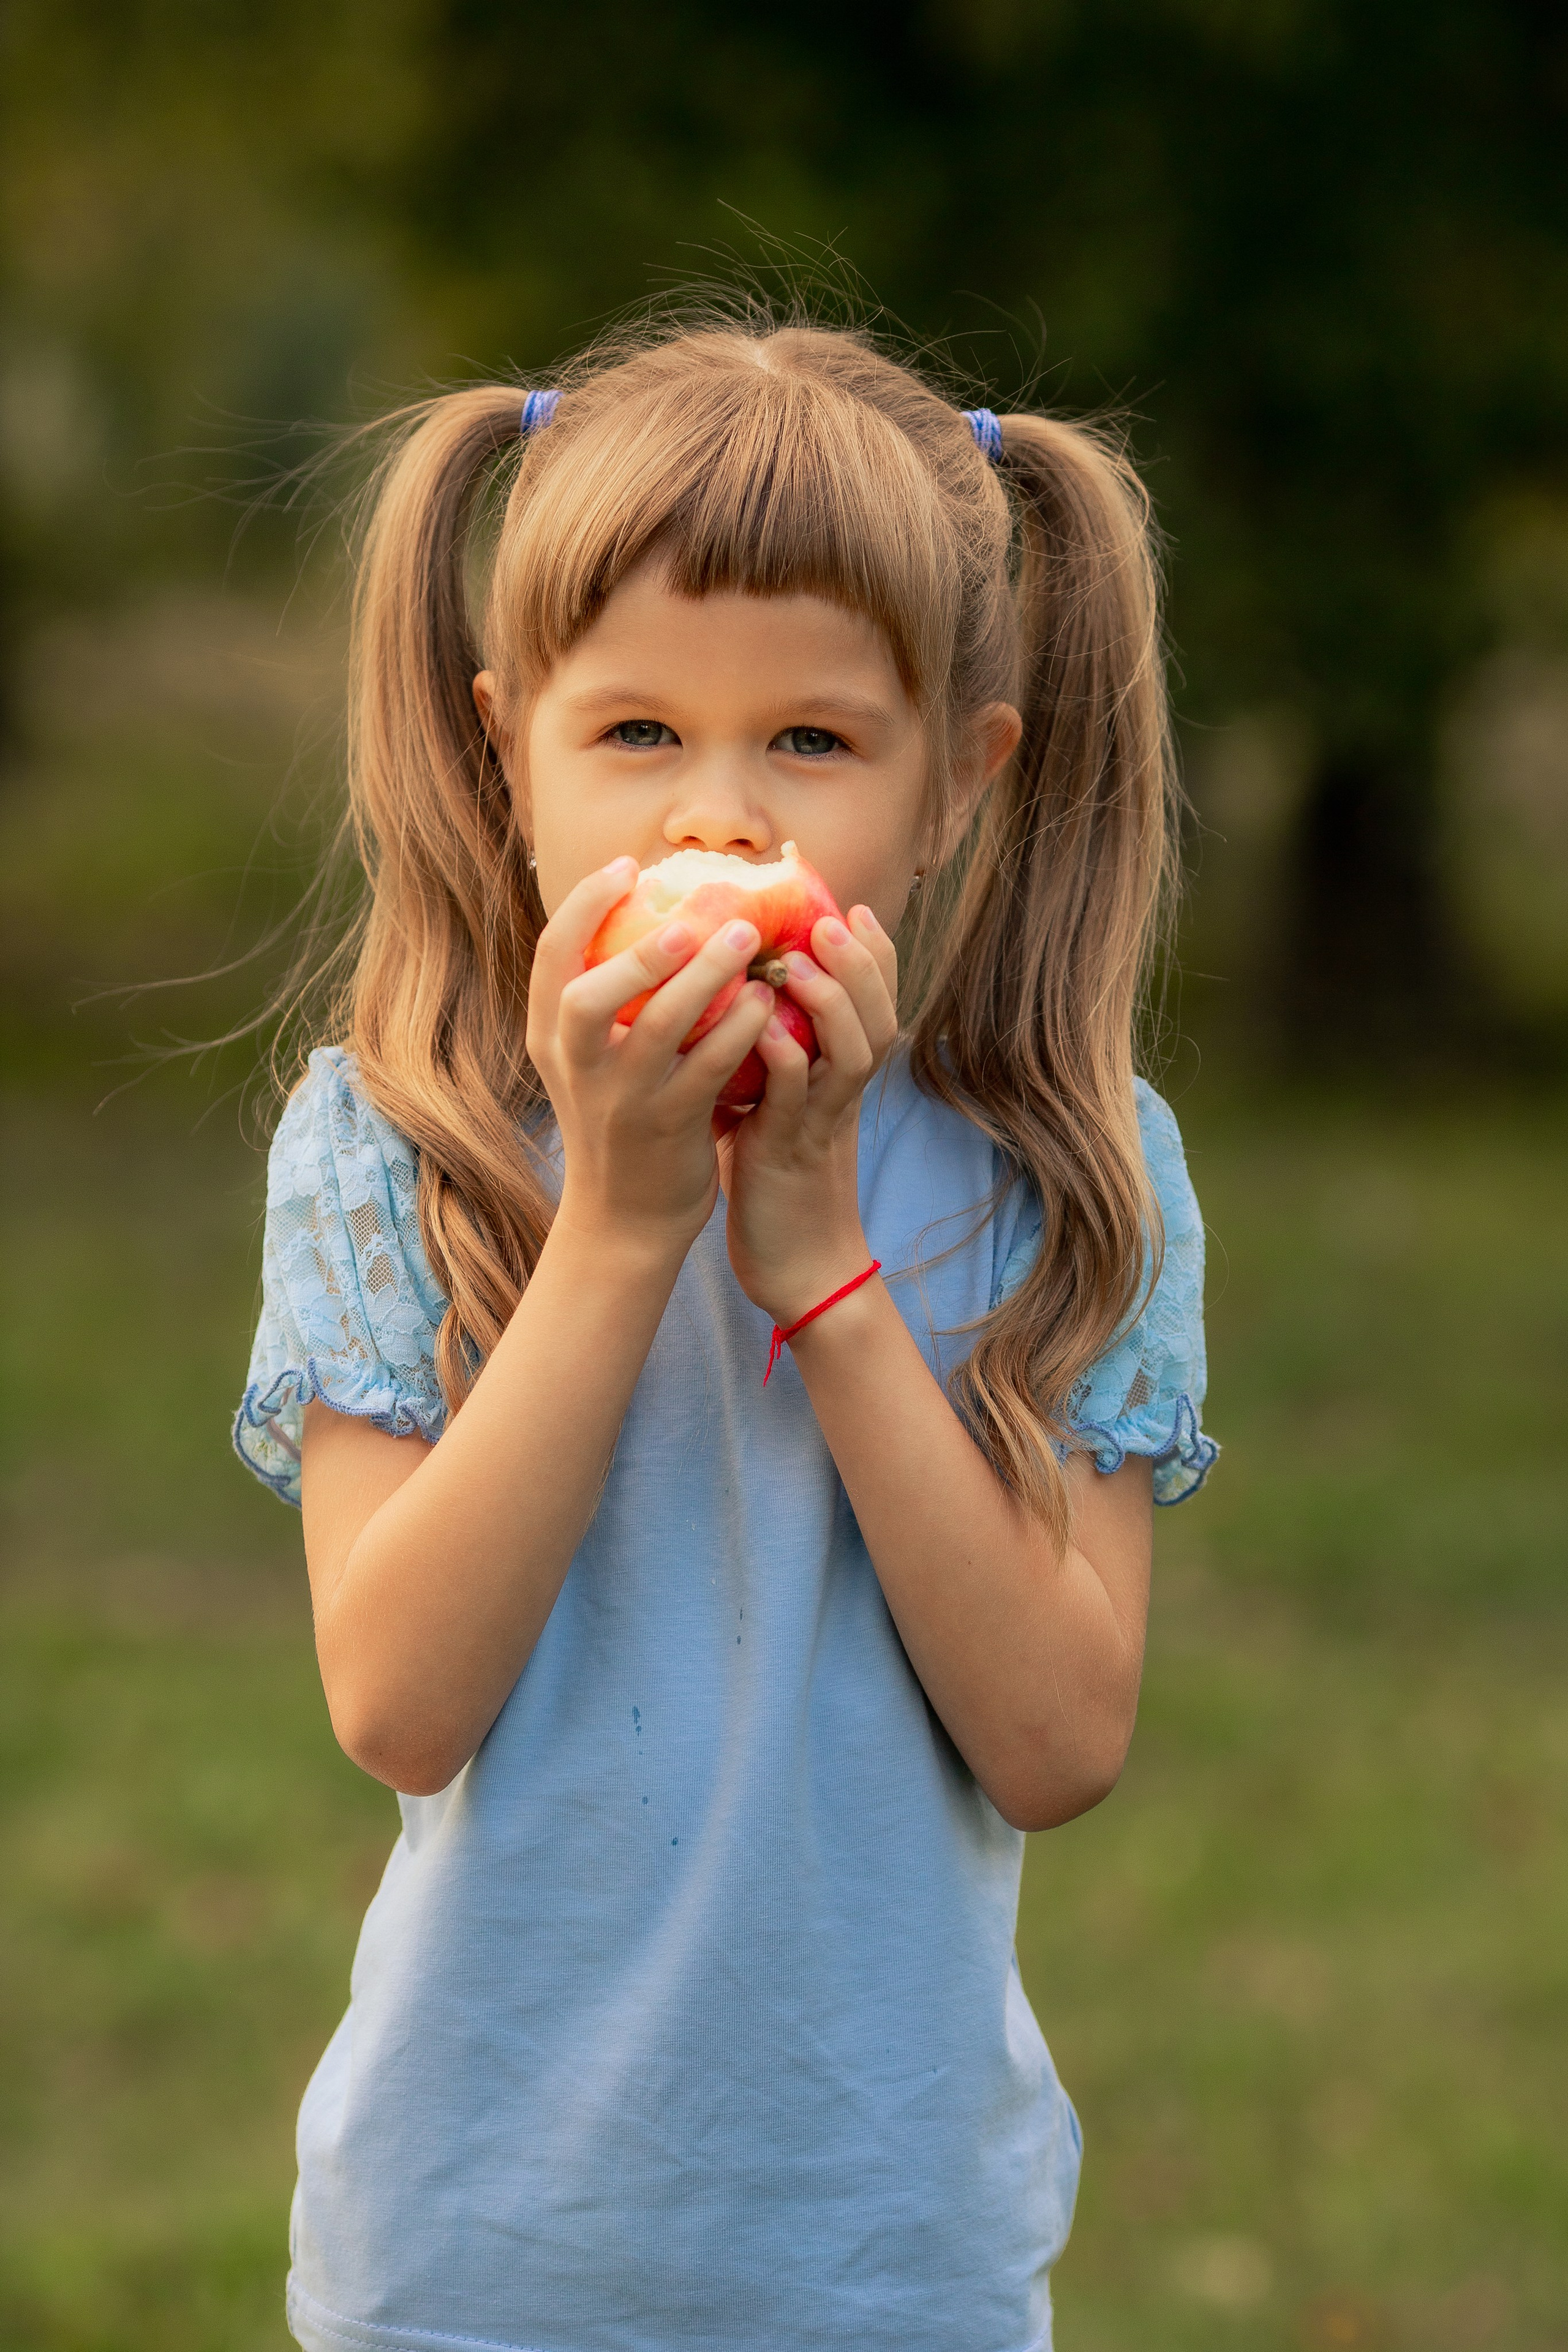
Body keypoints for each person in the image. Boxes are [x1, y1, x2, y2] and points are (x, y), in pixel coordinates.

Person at [234, 315, 1217, 2352]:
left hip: (892, 2275)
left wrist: (827, 1275)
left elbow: (1057, 1744)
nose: (719, 825)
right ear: (512, 755)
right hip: (473, 2268)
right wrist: (617, 1230)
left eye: (815, 743)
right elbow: (399, 1706)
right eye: (639, 738)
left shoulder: (1070, 1170)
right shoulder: (398, 1150)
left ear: (958, 784)